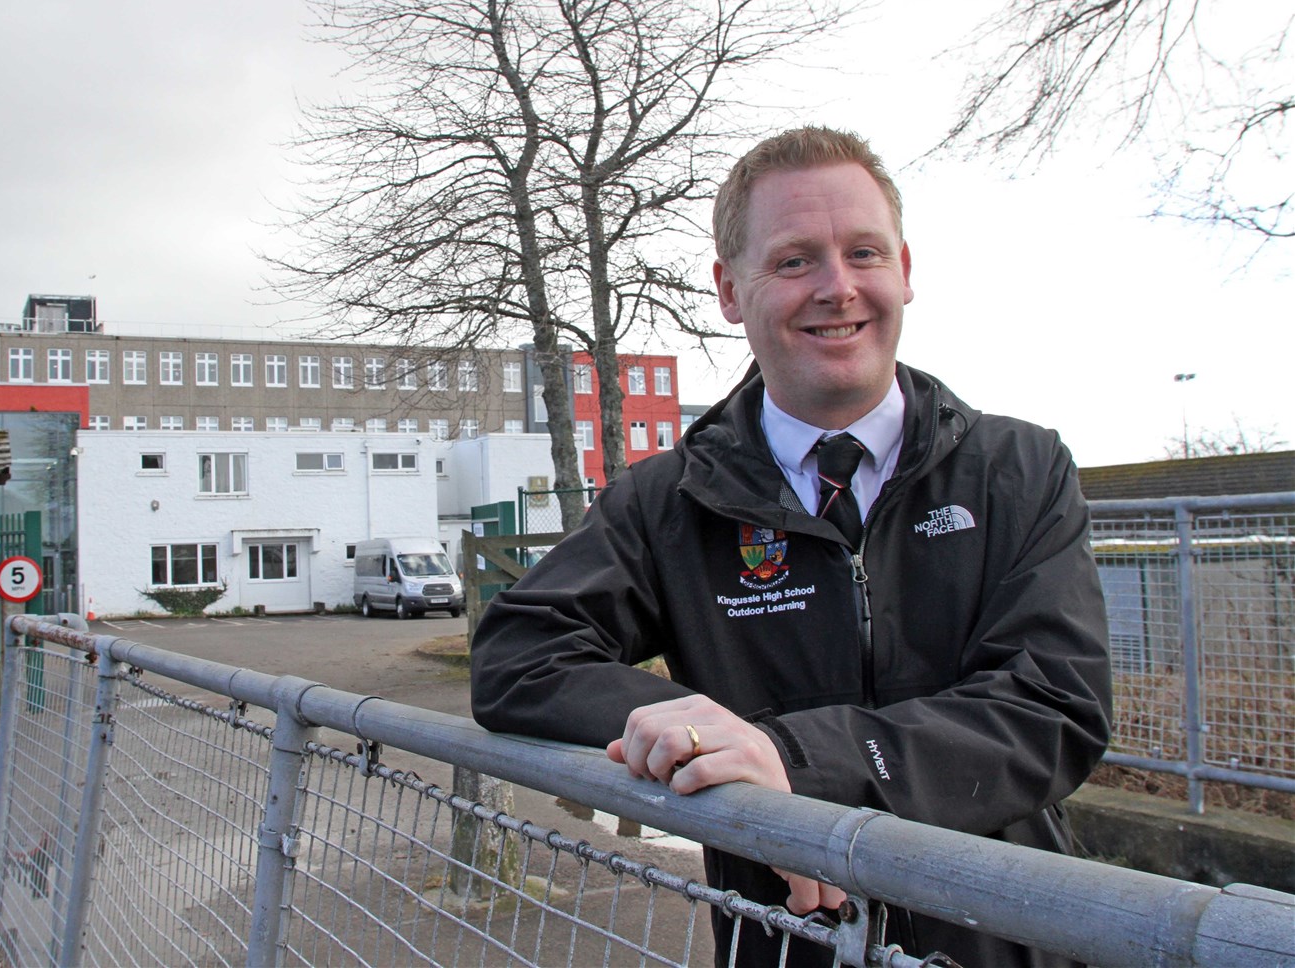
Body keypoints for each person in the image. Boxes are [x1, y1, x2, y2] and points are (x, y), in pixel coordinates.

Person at [470, 126, 1112, 967]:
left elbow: (1052, 706)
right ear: (731, 290)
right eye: (795, 260)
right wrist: (687, 730)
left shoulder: (1019, 470)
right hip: (786, 942)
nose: (837, 288)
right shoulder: (670, 501)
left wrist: (795, 761)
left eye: (864, 253)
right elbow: (517, 656)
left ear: (906, 272)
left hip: (1008, 939)